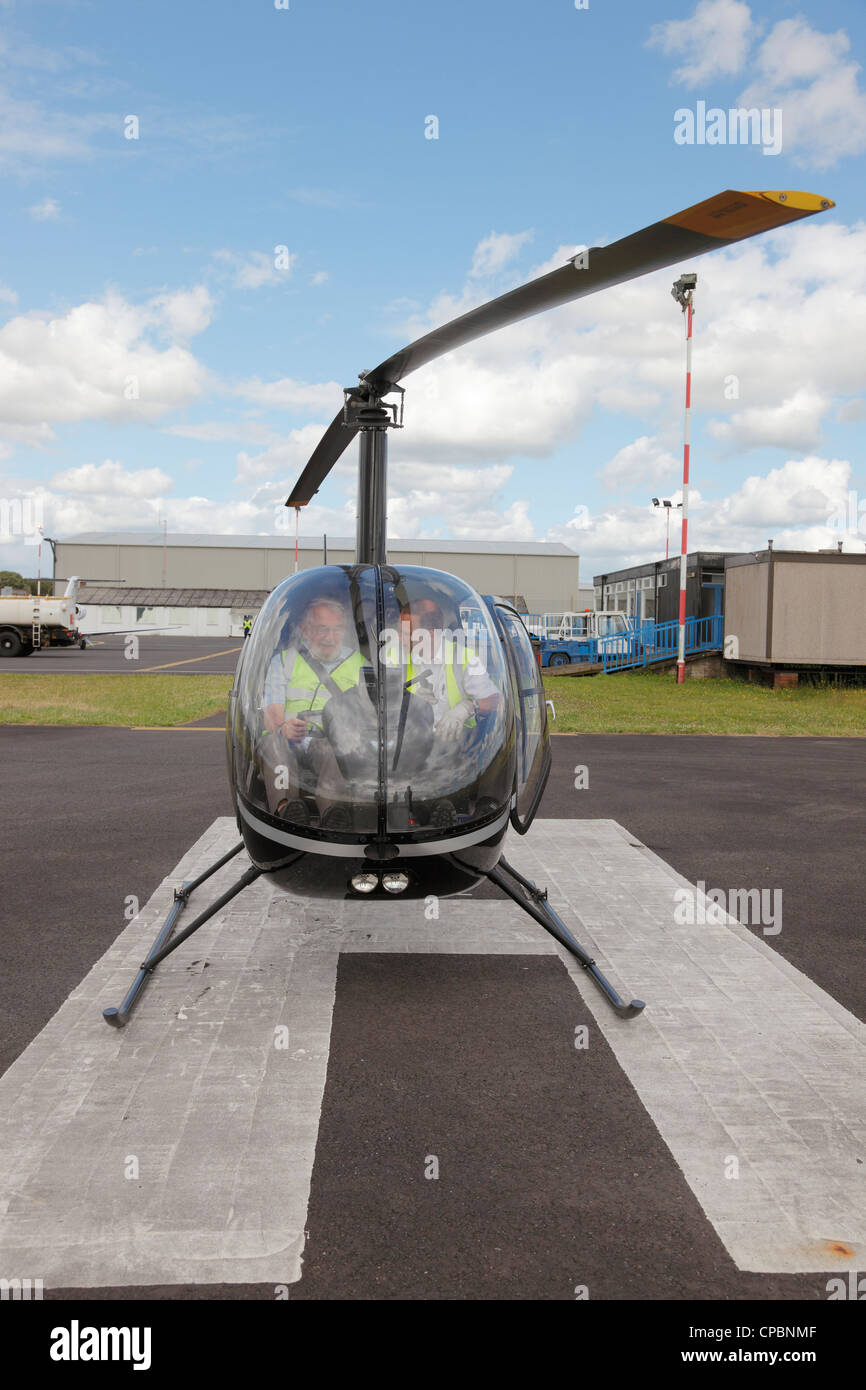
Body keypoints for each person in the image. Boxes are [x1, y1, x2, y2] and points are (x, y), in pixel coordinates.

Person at [258, 597, 368, 828]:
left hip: (328, 742)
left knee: (337, 747)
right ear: (306, 630)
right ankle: (286, 810)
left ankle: (333, 815)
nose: (330, 637)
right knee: (272, 743)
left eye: (337, 629)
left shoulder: (359, 664)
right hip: (290, 740)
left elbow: (370, 713)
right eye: (322, 629)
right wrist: (282, 727)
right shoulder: (284, 661)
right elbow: (271, 712)